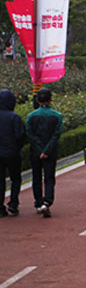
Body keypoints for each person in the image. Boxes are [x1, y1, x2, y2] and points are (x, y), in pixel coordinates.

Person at [26, 88, 62, 218]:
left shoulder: (31, 116)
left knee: (36, 177)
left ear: (37, 100)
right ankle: (47, 202)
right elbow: (56, 135)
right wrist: (46, 150)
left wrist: (40, 149)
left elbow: (30, 134)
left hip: (35, 151)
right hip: (50, 151)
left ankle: (38, 202)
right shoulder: (57, 116)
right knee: (49, 177)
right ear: (51, 99)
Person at [0, 88, 25, 217]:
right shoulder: (14, 117)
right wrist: (17, 147)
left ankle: (0, 208)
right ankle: (13, 203)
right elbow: (20, 135)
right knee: (15, 178)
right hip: (12, 152)